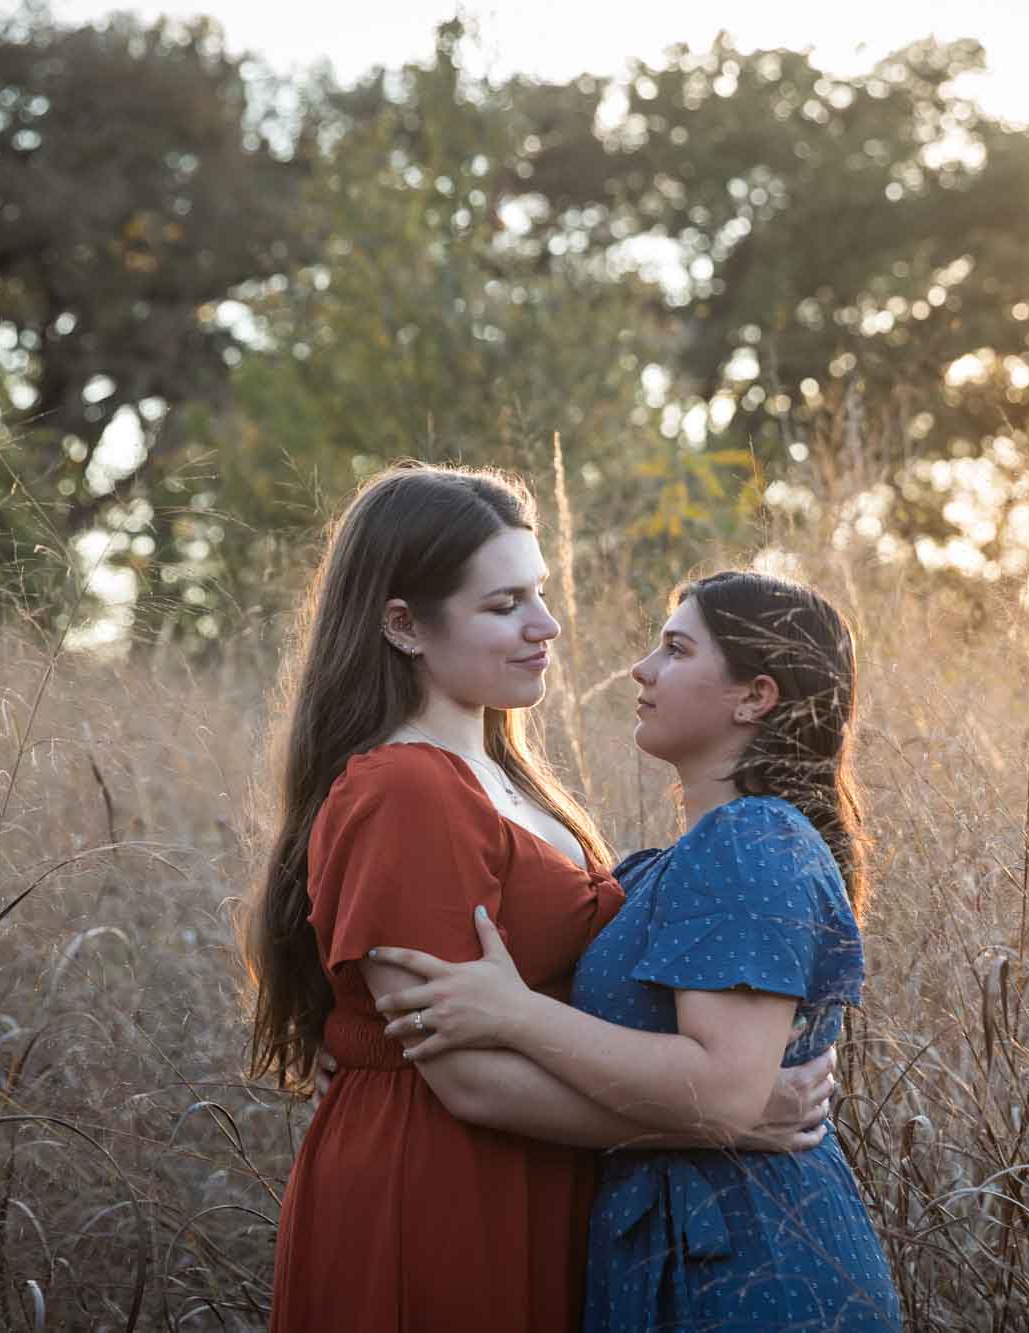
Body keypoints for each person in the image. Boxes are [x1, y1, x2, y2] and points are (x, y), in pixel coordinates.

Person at [243, 466, 833, 1333]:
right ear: (403, 624)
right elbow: (471, 1082)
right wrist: (725, 1121)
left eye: (541, 593)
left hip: (541, 1171)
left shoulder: (515, 780)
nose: (545, 625)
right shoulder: (405, 788)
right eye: (504, 603)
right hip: (442, 1190)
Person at [370, 570, 904, 1331]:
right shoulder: (674, 865)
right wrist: (356, 1038)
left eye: (676, 649)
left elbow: (722, 1089)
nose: (641, 670)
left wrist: (515, 1016)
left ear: (754, 696)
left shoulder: (753, 841)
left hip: (753, 1268)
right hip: (674, 1248)